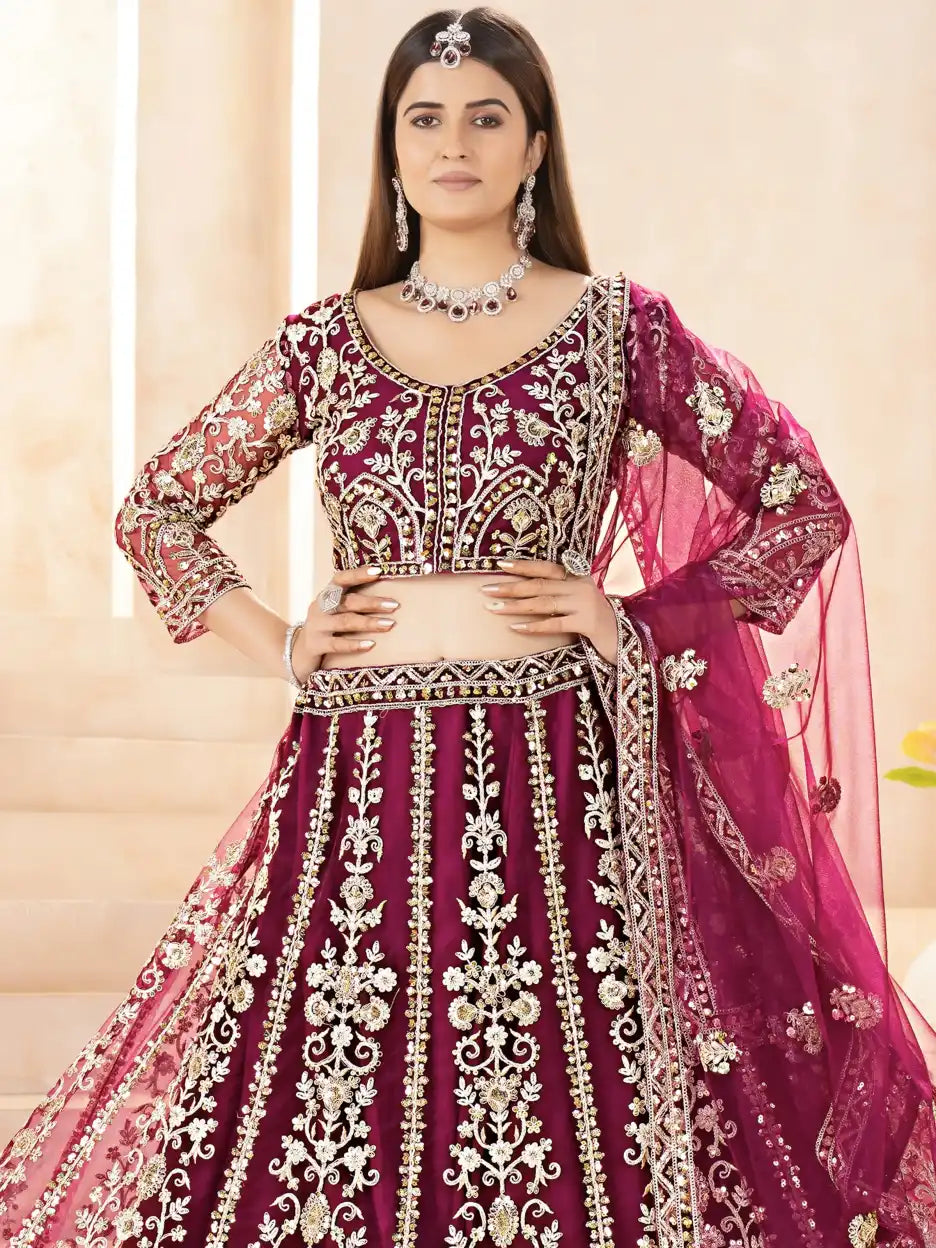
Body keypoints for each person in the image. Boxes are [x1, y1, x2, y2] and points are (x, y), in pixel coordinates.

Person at [2, 7, 935, 1246]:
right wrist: (280, 641)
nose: (455, 144)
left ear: (535, 146)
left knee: (563, 1103)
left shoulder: (615, 329)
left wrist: (632, 621)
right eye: (426, 119)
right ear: (392, 152)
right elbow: (158, 511)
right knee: (334, 1096)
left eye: (487, 118)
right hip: (359, 782)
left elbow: (800, 505)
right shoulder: (325, 346)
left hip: (555, 779)